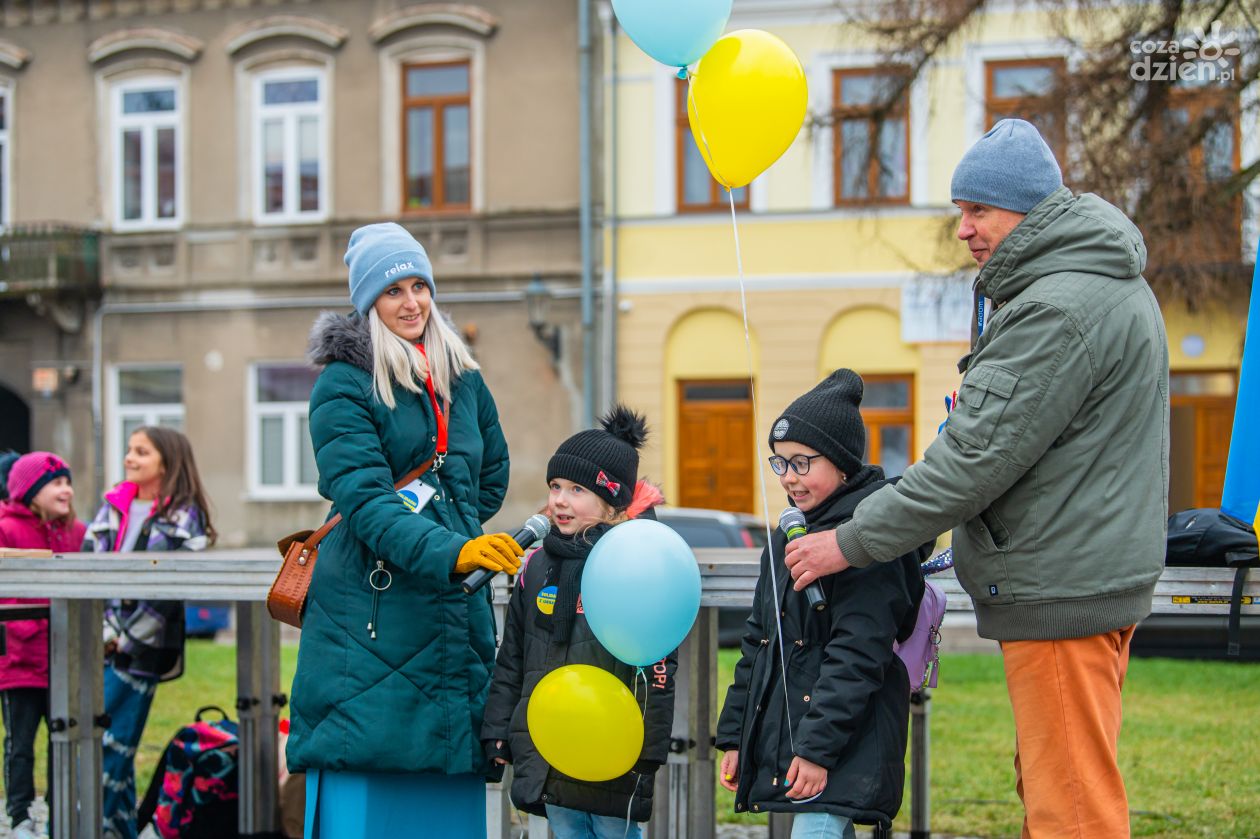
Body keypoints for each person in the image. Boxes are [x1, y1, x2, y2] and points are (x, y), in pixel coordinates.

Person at [784, 119, 1168, 838]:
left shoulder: (1056, 308)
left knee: (1070, 809)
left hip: (1062, 586)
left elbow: (971, 463)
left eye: (978, 210)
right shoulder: (1095, 285)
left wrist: (849, 542)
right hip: (1083, 577)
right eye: (961, 210)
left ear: (1028, 211)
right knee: (1061, 783)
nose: (963, 229)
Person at [287, 222, 521, 839]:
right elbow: (363, 500)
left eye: (420, 286)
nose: (411, 302)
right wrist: (452, 546)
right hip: (368, 610)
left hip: (451, 602)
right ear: (368, 303)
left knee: (446, 792)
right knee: (370, 784)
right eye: (393, 291)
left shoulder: (463, 379)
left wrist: (453, 529)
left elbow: (488, 474)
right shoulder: (343, 384)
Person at [714, 371, 928, 838]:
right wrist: (736, 735)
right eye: (780, 463)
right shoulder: (789, 533)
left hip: (843, 743)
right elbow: (759, 640)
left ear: (843, 462)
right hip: (809, 740)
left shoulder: (867, 538)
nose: (789, 478)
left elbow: (858, 654)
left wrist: (816, 751)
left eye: (802, 462)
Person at [482, 405, 675, 839]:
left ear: (611, 503)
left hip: (612, 749)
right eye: (555, 486)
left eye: (576, 490)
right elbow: (513, 656)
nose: (559, 501)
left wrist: (646, 750)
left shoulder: (636, 565)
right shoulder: (537, 566)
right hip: (551, 747)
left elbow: (659, 670)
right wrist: (498, 731)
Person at [83, 426, 215, 839]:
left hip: (142, 647)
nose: (129, 458)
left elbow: (168, 590)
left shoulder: (183, 514)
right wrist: (104, 631)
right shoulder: (111, 507)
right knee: (105, 742)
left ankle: (93, 827)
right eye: (129, 450)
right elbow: (87, 564)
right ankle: (119, 828)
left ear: (167, 462)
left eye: (141, 451)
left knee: (112, 746)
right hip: (102, 639)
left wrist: (125, 638)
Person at [0, 452, 86, 839]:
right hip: (20, 663)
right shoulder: (5, 529)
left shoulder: (76, 533)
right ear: (30, 491)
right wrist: (35, 626)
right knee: (20, 744)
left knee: (62, 739)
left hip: (63, 661)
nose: (66, 489)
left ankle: (59, 810)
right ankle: (19, 816)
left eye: (68, 481)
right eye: (55, 483)